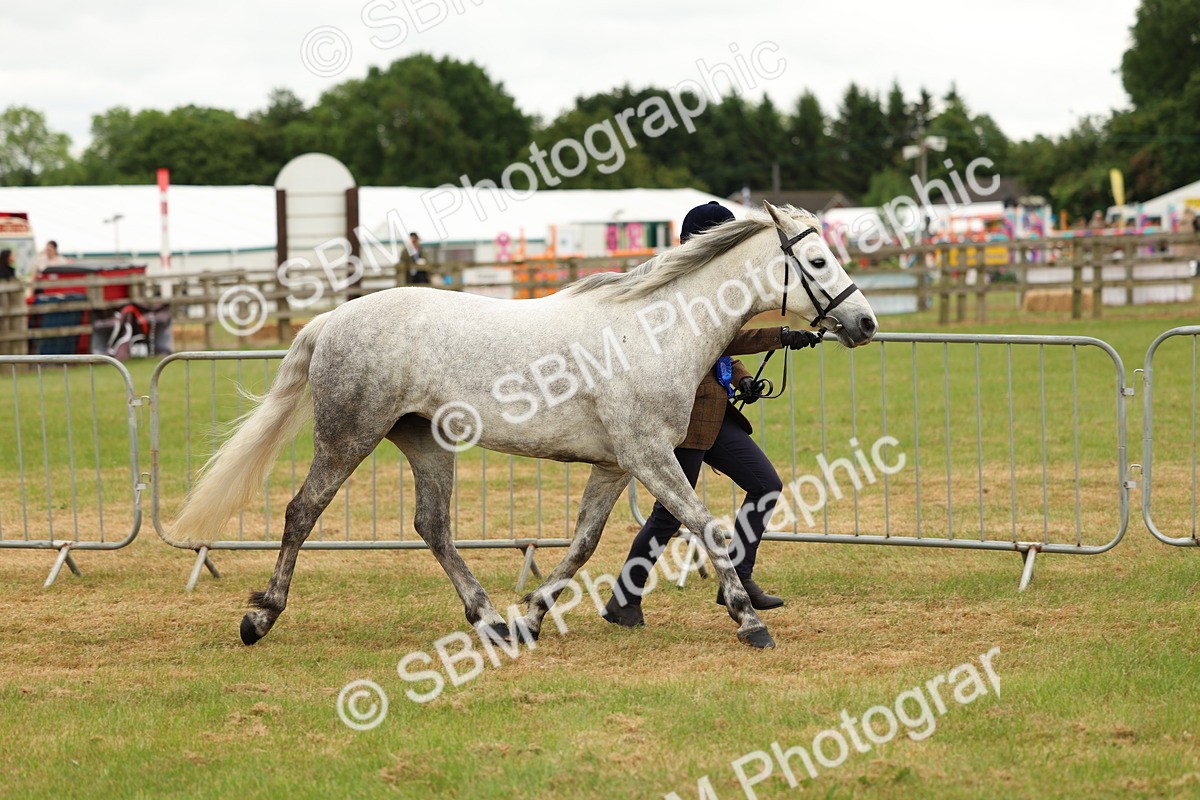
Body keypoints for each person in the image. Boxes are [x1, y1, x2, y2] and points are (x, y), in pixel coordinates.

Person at [603, 201, 821, 628]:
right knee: (670, 512)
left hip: (713, 412)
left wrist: (741, 378)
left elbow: (719, 344)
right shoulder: (680, 287)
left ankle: (736, 578)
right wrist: (777, 335)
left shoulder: (713, 285)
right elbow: (713, 341)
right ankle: (624, 599)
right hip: (682, 416)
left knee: (764, 485)